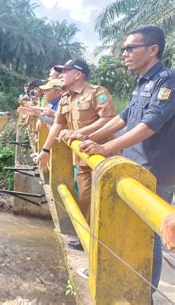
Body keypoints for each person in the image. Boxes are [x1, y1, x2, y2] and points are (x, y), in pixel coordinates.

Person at [75, 25, 174, 290]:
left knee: (148, 235)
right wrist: (92, 138)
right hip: (131, 167)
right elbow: (123, 118)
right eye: (123, 49)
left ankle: (145, 291)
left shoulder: (167, 80)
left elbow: (151, 124)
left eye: (131, 48)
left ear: (153, 50)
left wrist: (107, 149)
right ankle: (112, 275)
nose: (124, 54)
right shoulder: (142, 82)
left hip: (154, 173)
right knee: (121, 224)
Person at [36, 59, 117, 243]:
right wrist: (45, 150)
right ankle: (86, 240)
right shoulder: (66, 98)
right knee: (86, 200)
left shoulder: (97, 93)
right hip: (81, 160)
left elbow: (109, 119)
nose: (61, 75)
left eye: (65, 71)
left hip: (101, 159)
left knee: (104, 204)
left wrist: (79, 133)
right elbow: (58, 124)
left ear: (78, 74)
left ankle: (101, 244)